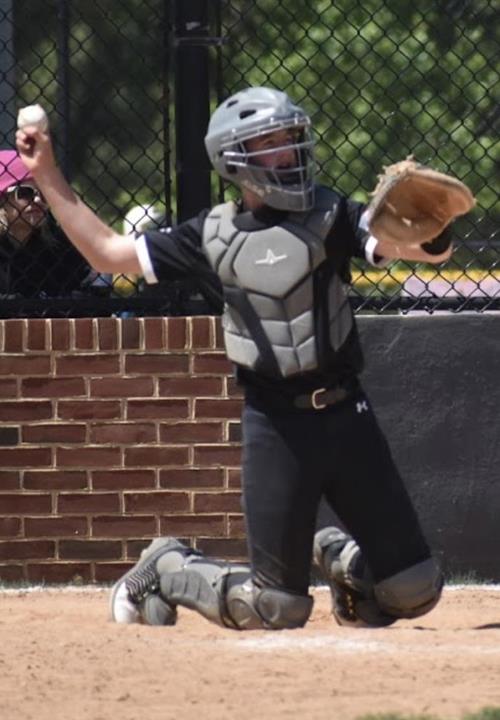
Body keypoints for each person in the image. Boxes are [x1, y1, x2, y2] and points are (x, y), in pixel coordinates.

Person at [17, 87, 453, 631]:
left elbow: (418, 249)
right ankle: (169, 567)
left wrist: (434, 229)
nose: (287, 153)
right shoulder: (213, 234)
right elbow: (108, 253)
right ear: (234, 158)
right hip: (277, 427)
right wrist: (46, 172)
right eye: (271, 143)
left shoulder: (328, 213)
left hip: (348, 416)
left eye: (291, 139)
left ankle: (342, 562)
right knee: (275, 607)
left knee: (413, 588)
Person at [0, 149, 91, 299]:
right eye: (25, 193)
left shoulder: (61, 247)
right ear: (2, 200)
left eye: (44, 193)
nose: (37, 200)